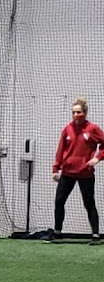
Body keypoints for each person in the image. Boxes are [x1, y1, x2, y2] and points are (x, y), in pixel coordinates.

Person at [47, 98, 104, 244]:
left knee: (89, 203)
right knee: (59, 201)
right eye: (73, 112)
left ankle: (96, 235)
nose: (75, 115)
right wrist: (55, 168)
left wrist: (97, 158)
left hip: (85, 173)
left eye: (78, 112)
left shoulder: (93, 129)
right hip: (68, 173)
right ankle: (57, 233)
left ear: (85, 112)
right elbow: (61, 150)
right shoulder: (67, 129)